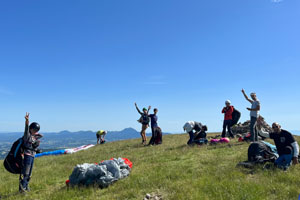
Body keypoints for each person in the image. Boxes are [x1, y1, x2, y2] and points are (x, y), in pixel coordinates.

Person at [20, 113, 43, 193]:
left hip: (32, 156)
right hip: (27, 156)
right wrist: (27, 121)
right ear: (31, 128)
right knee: (26, 173)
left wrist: (36, 149)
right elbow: (26, 129)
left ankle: (26, 187)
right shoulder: (27, 135)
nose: (35, 131)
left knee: (29, 174)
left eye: (37, 130)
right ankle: (22, 189)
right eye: (34, 130)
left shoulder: (34, 136)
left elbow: (40, 136)